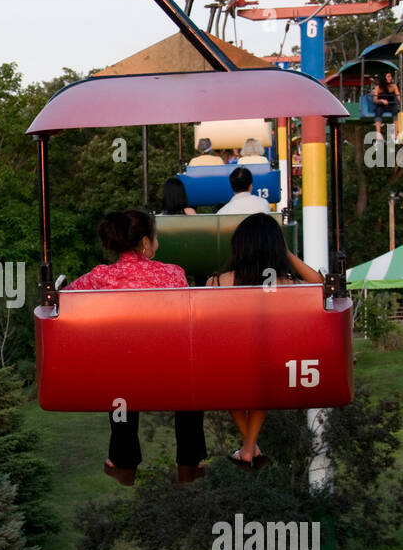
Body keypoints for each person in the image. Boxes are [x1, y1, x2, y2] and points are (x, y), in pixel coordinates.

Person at [67, 208, 206, 485]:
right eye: (155, 237)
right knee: (192, 386)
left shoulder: (99, 278)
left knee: (120, 380)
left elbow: (66, 301)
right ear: (145, 242)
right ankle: (189, 463)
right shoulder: (173, 274)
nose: (158, 243)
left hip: (124, 375)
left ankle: (124, 462)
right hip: (171, 374)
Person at [206, 213, 324, 468]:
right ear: (276, 247)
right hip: (271, 365)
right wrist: (288, 254)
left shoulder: (218, 281)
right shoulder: (286, 283)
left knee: (231, 382)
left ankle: (249, 447)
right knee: (264, 375)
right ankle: (249, 448)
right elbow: (320, 285)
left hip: (229, 366)